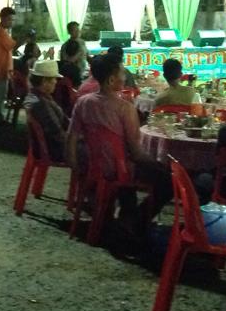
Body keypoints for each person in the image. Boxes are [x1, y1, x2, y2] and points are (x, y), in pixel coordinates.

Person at [67, 54, 172, 234]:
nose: (125, 77)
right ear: (111, 80)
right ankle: (136, 220)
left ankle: (127, 214)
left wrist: (75, 167)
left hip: (94, 166)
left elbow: (71, 137)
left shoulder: (83, 102)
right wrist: (160, 164)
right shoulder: (125, 108)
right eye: (123, 73)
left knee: (130, 166)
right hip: (118, 169)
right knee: (168, 180)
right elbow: (136, 153)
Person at [24, 59, 69, 162]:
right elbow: (57, 133)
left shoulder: (34, 97)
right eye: (54, 79)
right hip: (56, 150)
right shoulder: (40, 103)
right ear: (44, 81)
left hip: (51, 146)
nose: (56, 82)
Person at [0, 7, 17, 126]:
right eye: (10, 19)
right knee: (0, 97)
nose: (12, 22)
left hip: (3, 69)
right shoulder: (0, 32)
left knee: (1, 96)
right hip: (0, 69)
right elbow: (11, 45)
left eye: (12, 20)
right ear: (3, 19)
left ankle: (0, 119)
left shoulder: (2, 32)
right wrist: (23, 38)